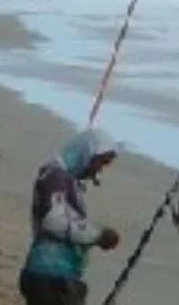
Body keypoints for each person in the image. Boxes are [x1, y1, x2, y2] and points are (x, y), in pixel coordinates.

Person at [19, 129, 121, 305]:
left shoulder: (63, 178)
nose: (99, 170)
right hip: (51, 277)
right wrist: (97, 236)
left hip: (53, 275)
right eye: (101, 162)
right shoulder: (57, 177)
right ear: (87, 153)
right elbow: (53, 221)